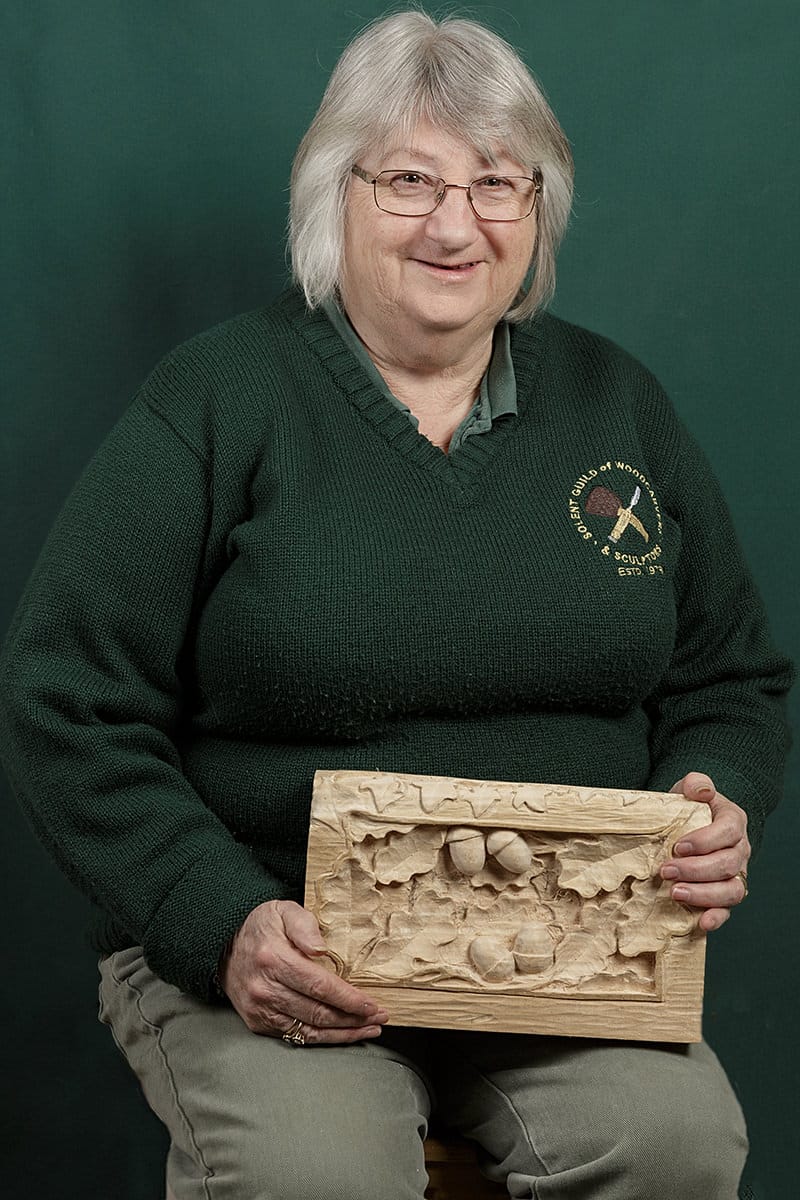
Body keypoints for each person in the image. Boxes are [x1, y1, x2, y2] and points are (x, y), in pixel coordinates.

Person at [0, 10, 792, 1199]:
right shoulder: (219, 400)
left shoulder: (615, 404)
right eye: (409, 180)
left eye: (494, 184)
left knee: (676, 1146)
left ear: (537, 210)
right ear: (335, 196)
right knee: (317, 1172)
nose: (454, 224)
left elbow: (727, 678)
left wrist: (714, 800)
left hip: (556, 957)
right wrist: (216, 919)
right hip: (275, 944)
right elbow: (65, 694)